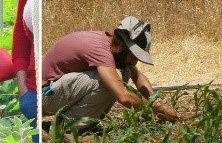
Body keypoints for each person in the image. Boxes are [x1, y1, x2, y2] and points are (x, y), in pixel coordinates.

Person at [42, 16, 178, 126]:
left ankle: (81, 122)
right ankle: (67, 125)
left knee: (124, 72)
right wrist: (155, 110)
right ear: (122, 45)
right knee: (113, 79)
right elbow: (123, 97)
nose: (135, 61)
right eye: (134, 56)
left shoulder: (114, 47)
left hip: (57, 93)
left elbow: (136, 75)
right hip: (43, 97)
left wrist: (157, 103)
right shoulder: (101, 51)